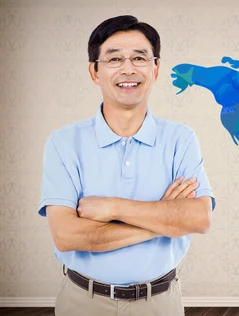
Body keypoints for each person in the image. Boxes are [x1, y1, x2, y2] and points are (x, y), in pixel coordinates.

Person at [37, 15, 216, 316]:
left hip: (161, 302)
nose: (128, 68)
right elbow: (67, 236)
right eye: (114, 58)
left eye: (139, 57)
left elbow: (199, 218)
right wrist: (164, 218)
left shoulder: (180, 139)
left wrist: (114, 208)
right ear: (95, 71)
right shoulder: (63, 142)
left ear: (155, 69)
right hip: (83, 301)